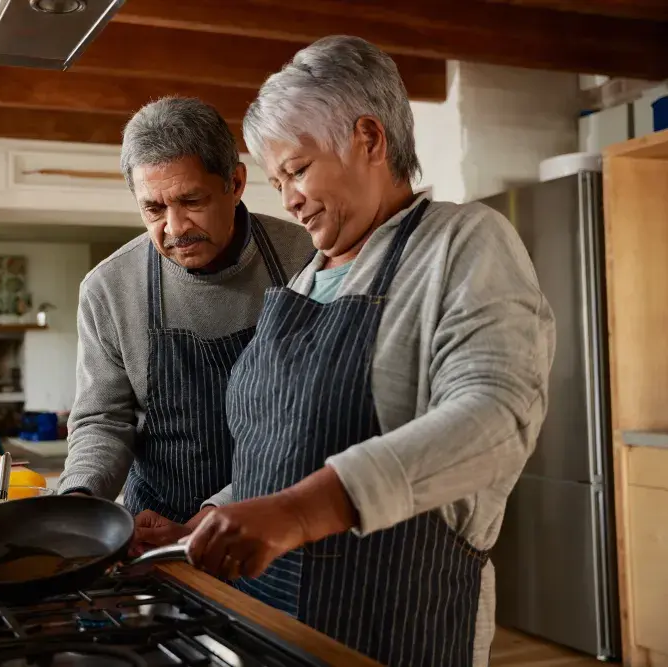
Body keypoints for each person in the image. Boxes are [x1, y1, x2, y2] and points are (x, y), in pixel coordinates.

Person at [182, 36, 556, 667]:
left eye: (297, 170)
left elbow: (498, 415)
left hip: (394, 627)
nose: (288, 199)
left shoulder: (462, 242)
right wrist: (211, 517)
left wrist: (302, 512)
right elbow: (282, 445)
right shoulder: (306, 278)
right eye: (277, 182)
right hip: (262, 623)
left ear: (370, 140)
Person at [57, 97, 315, 545]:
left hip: (276, 525)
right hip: (154, 533)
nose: (175, 228)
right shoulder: (109, 288)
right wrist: (80, 495)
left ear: (235, 183)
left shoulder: (307, 259)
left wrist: (220, 512)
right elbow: (104, 418)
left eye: (190, 201)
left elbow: (313, 419)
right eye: (153, 209)